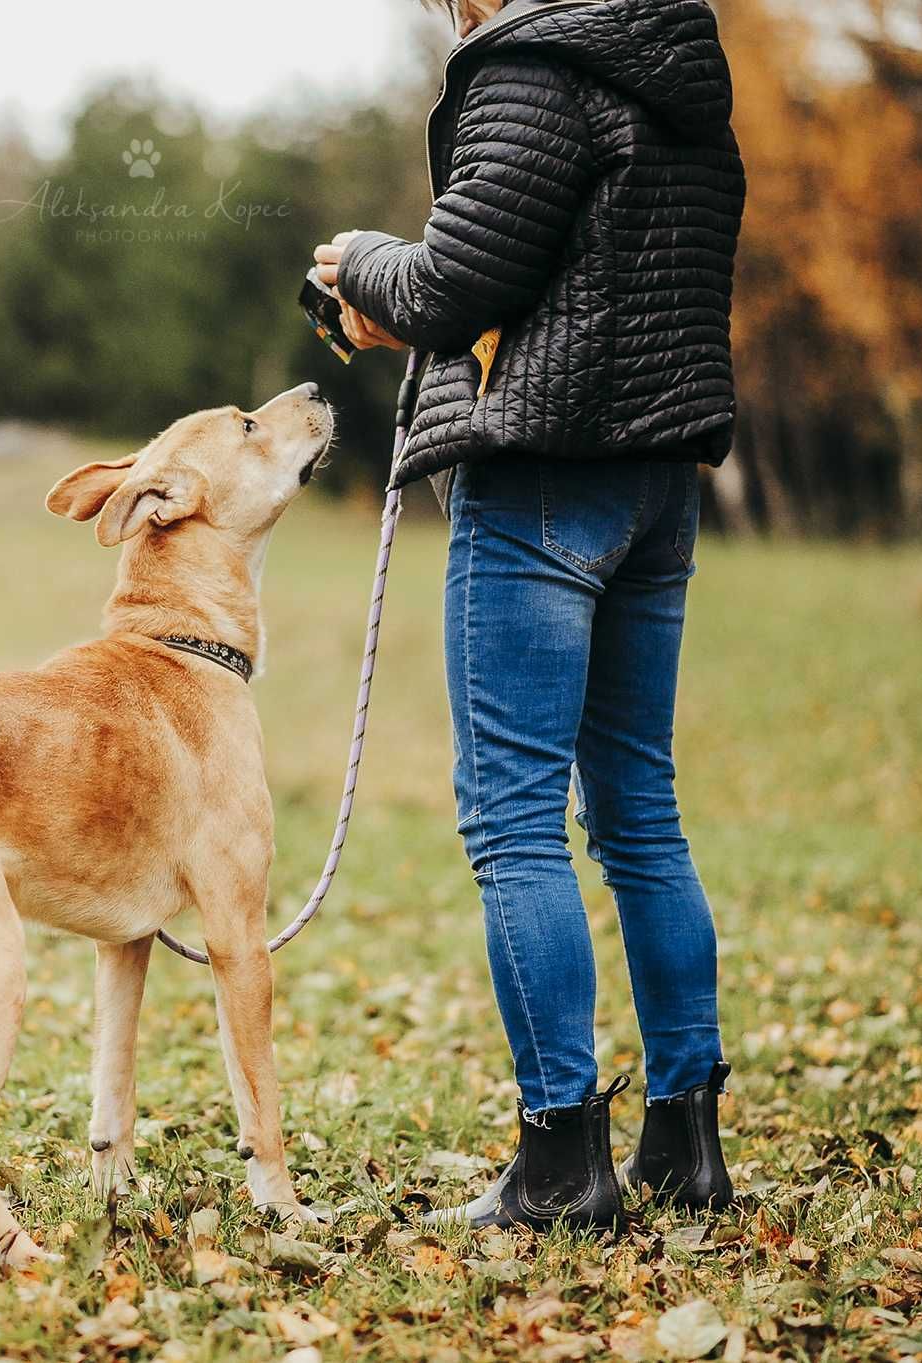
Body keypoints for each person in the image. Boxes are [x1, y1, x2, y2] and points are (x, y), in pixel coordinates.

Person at [311, 0, 746, 1232]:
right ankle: (684, 1148)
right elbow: (577, 267)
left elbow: (453, 280)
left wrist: (356, 263)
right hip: (657, 488)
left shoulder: (533, 66)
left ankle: (561, 1167)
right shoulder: (678, 73)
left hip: (544, 478)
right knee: (639, 816)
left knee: (511, 821)